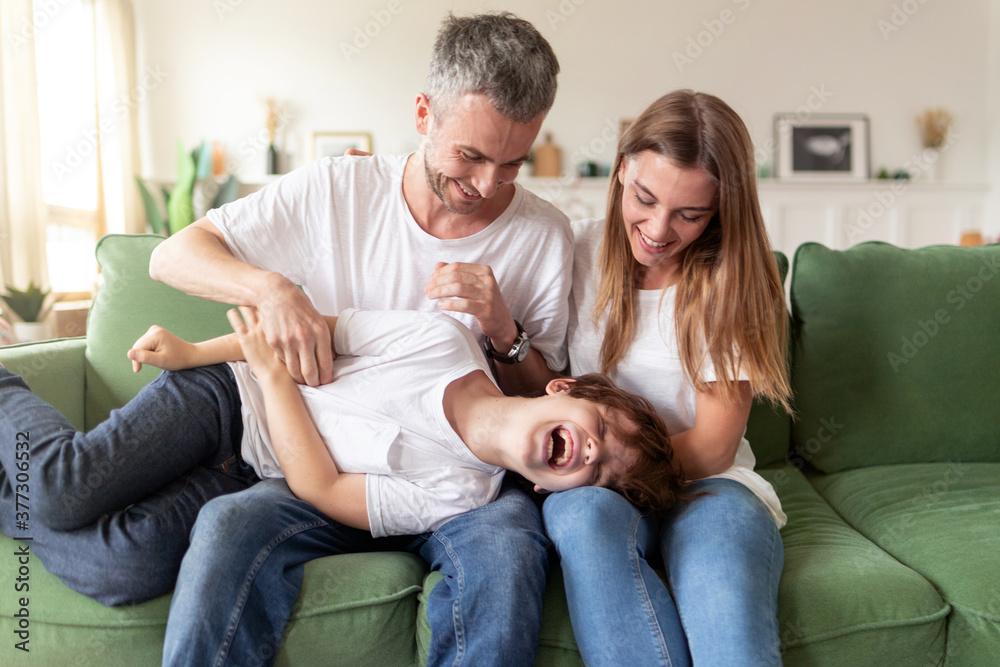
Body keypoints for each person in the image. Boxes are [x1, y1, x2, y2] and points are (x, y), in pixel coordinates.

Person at [148, 12, 570, 667]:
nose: (488, 185)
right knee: (226, 526)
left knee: (510, 553)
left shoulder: (543, 235)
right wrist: (270, 289)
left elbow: (548, 398)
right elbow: (172, 256)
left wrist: (505, 333)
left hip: (464, 489)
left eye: (513, 163)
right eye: (472, 155)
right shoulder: (338, 189)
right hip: (323, 464)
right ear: (425, 113)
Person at [0, 308, 681, 587]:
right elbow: (304, 332)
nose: (592, 451)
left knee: (126, 564)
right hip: (221, 397)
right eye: (603, 428)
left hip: (246, 469)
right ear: (561, 388)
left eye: (599, 472)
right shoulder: (444, 339)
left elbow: (320, 489)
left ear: (549, 491)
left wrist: (277, 381)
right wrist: (196, 352)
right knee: (62, 488)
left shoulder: (459, 494)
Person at [541, 89, 794, 666]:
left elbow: (710, 446)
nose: (657, 229)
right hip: (595, 488)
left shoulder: (731, 279)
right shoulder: (573, 249)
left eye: (689, 214)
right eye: (645, 198)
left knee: (724, 605)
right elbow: (546, 384)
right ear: (622, 168)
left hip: (709, 485)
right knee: (578, 518)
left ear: (721, 210)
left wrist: (600, 466)